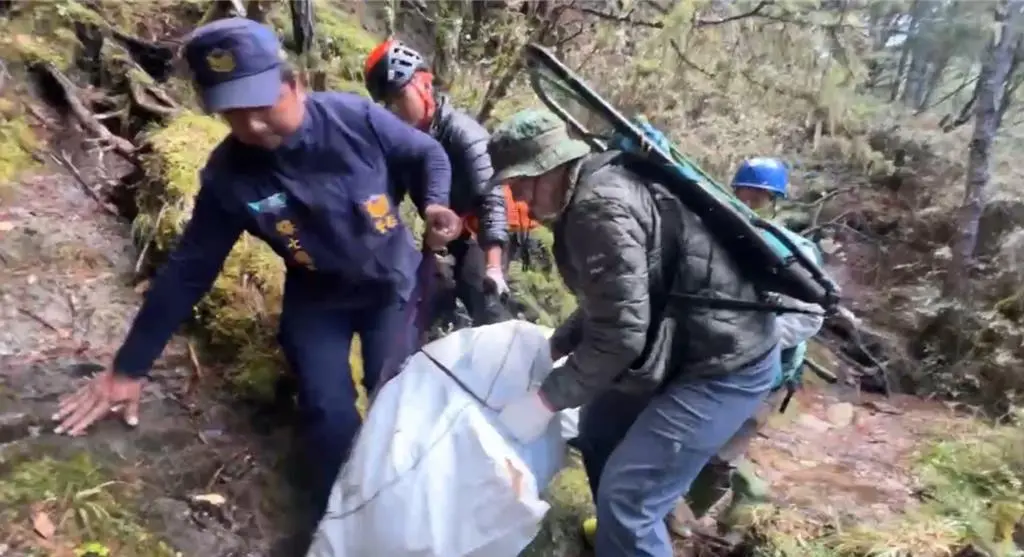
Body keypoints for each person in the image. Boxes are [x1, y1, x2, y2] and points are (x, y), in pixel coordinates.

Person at [51, 18, 461, 519]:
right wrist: (128, 368)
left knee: (393, 394)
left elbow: (428, 154)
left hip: (392, 286)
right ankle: (346, 520)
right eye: (233, 113)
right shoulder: (229, 177)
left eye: (263, 105)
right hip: (318, 298)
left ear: (297, 85)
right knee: (328, 414)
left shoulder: (354, 119)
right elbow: (188, 270)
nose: (252, 125)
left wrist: (436, 205)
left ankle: (409, 504)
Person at [486, 109, 781, 557]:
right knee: (599, 426)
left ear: (554, 166)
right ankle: (622, 542)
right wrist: (554, 347)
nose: (519, 196)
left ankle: (632, 532)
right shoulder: (594, 186)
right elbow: (613, 303)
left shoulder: (597, 208)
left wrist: (545, 398)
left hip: (723, 363)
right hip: (682, 340)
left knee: (629, 498)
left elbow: (621, 334)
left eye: (525, 181)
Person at [679, 157, 827, 539]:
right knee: (692, 439)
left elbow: (809, 316)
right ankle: (722, 497)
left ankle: (684, 523)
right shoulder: (726, 235)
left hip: (769, 371)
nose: (753, 202)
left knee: (719, 455)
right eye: (747, 193)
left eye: (762, 196)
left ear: (775, 201)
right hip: (720, 361)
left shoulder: (793, 251)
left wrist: (753, 338)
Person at [363, 38, 513, 328]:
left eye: (399, 97)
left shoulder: (464, 134)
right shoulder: (399, 142)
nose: (395, 110)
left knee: (479, 289)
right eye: (387, 104)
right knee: (426, 290)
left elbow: (492, 197)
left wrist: (494, 267)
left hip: (481, 227)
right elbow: (388, 194)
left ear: (424, 85)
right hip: (444, 231)